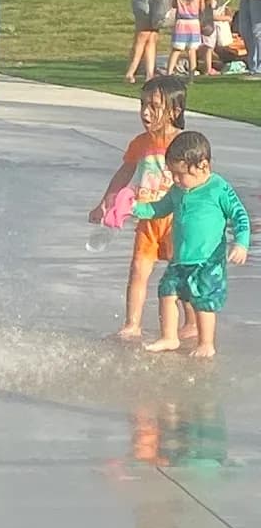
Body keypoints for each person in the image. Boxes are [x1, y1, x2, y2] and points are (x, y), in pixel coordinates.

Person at [88, 75, 195, 340]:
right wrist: (106, 201)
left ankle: (192, 320)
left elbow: (200, 179)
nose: (145, 112)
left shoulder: (185, 144)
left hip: (176, 219)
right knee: (138, 269)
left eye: (154, 106)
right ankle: (132, 324)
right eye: (142, 104)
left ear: (175, 110)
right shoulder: (140, 143)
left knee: (179, 272)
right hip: (147, 219)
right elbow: (124, 173)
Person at [133, 131, 250, 358]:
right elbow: (158, 208)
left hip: (208, 260)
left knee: (203, 300)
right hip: (180, 258)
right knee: (166, 290)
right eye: (172, 173)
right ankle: (169, 337)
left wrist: (241, 243)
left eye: (180, 174)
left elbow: (240, 215)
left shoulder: (218, 188)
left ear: (203, 165)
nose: (175, 180)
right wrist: (135, 208)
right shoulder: (178, 190)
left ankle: (206, 343)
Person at [166, 0, 205, 78]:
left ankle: (169, 73)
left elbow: (174, 5)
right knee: (191, 51)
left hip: (181, 23)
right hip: (194, 23)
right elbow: (202, 8)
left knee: (176, 50)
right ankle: (191, 75)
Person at [199, 0, 233, 76]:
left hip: (210, 27)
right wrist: (224, 17)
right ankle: (208, 69)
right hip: (208, 27)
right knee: (208, 48)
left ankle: (209, 67)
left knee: (209, 48)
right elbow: (209, 14)